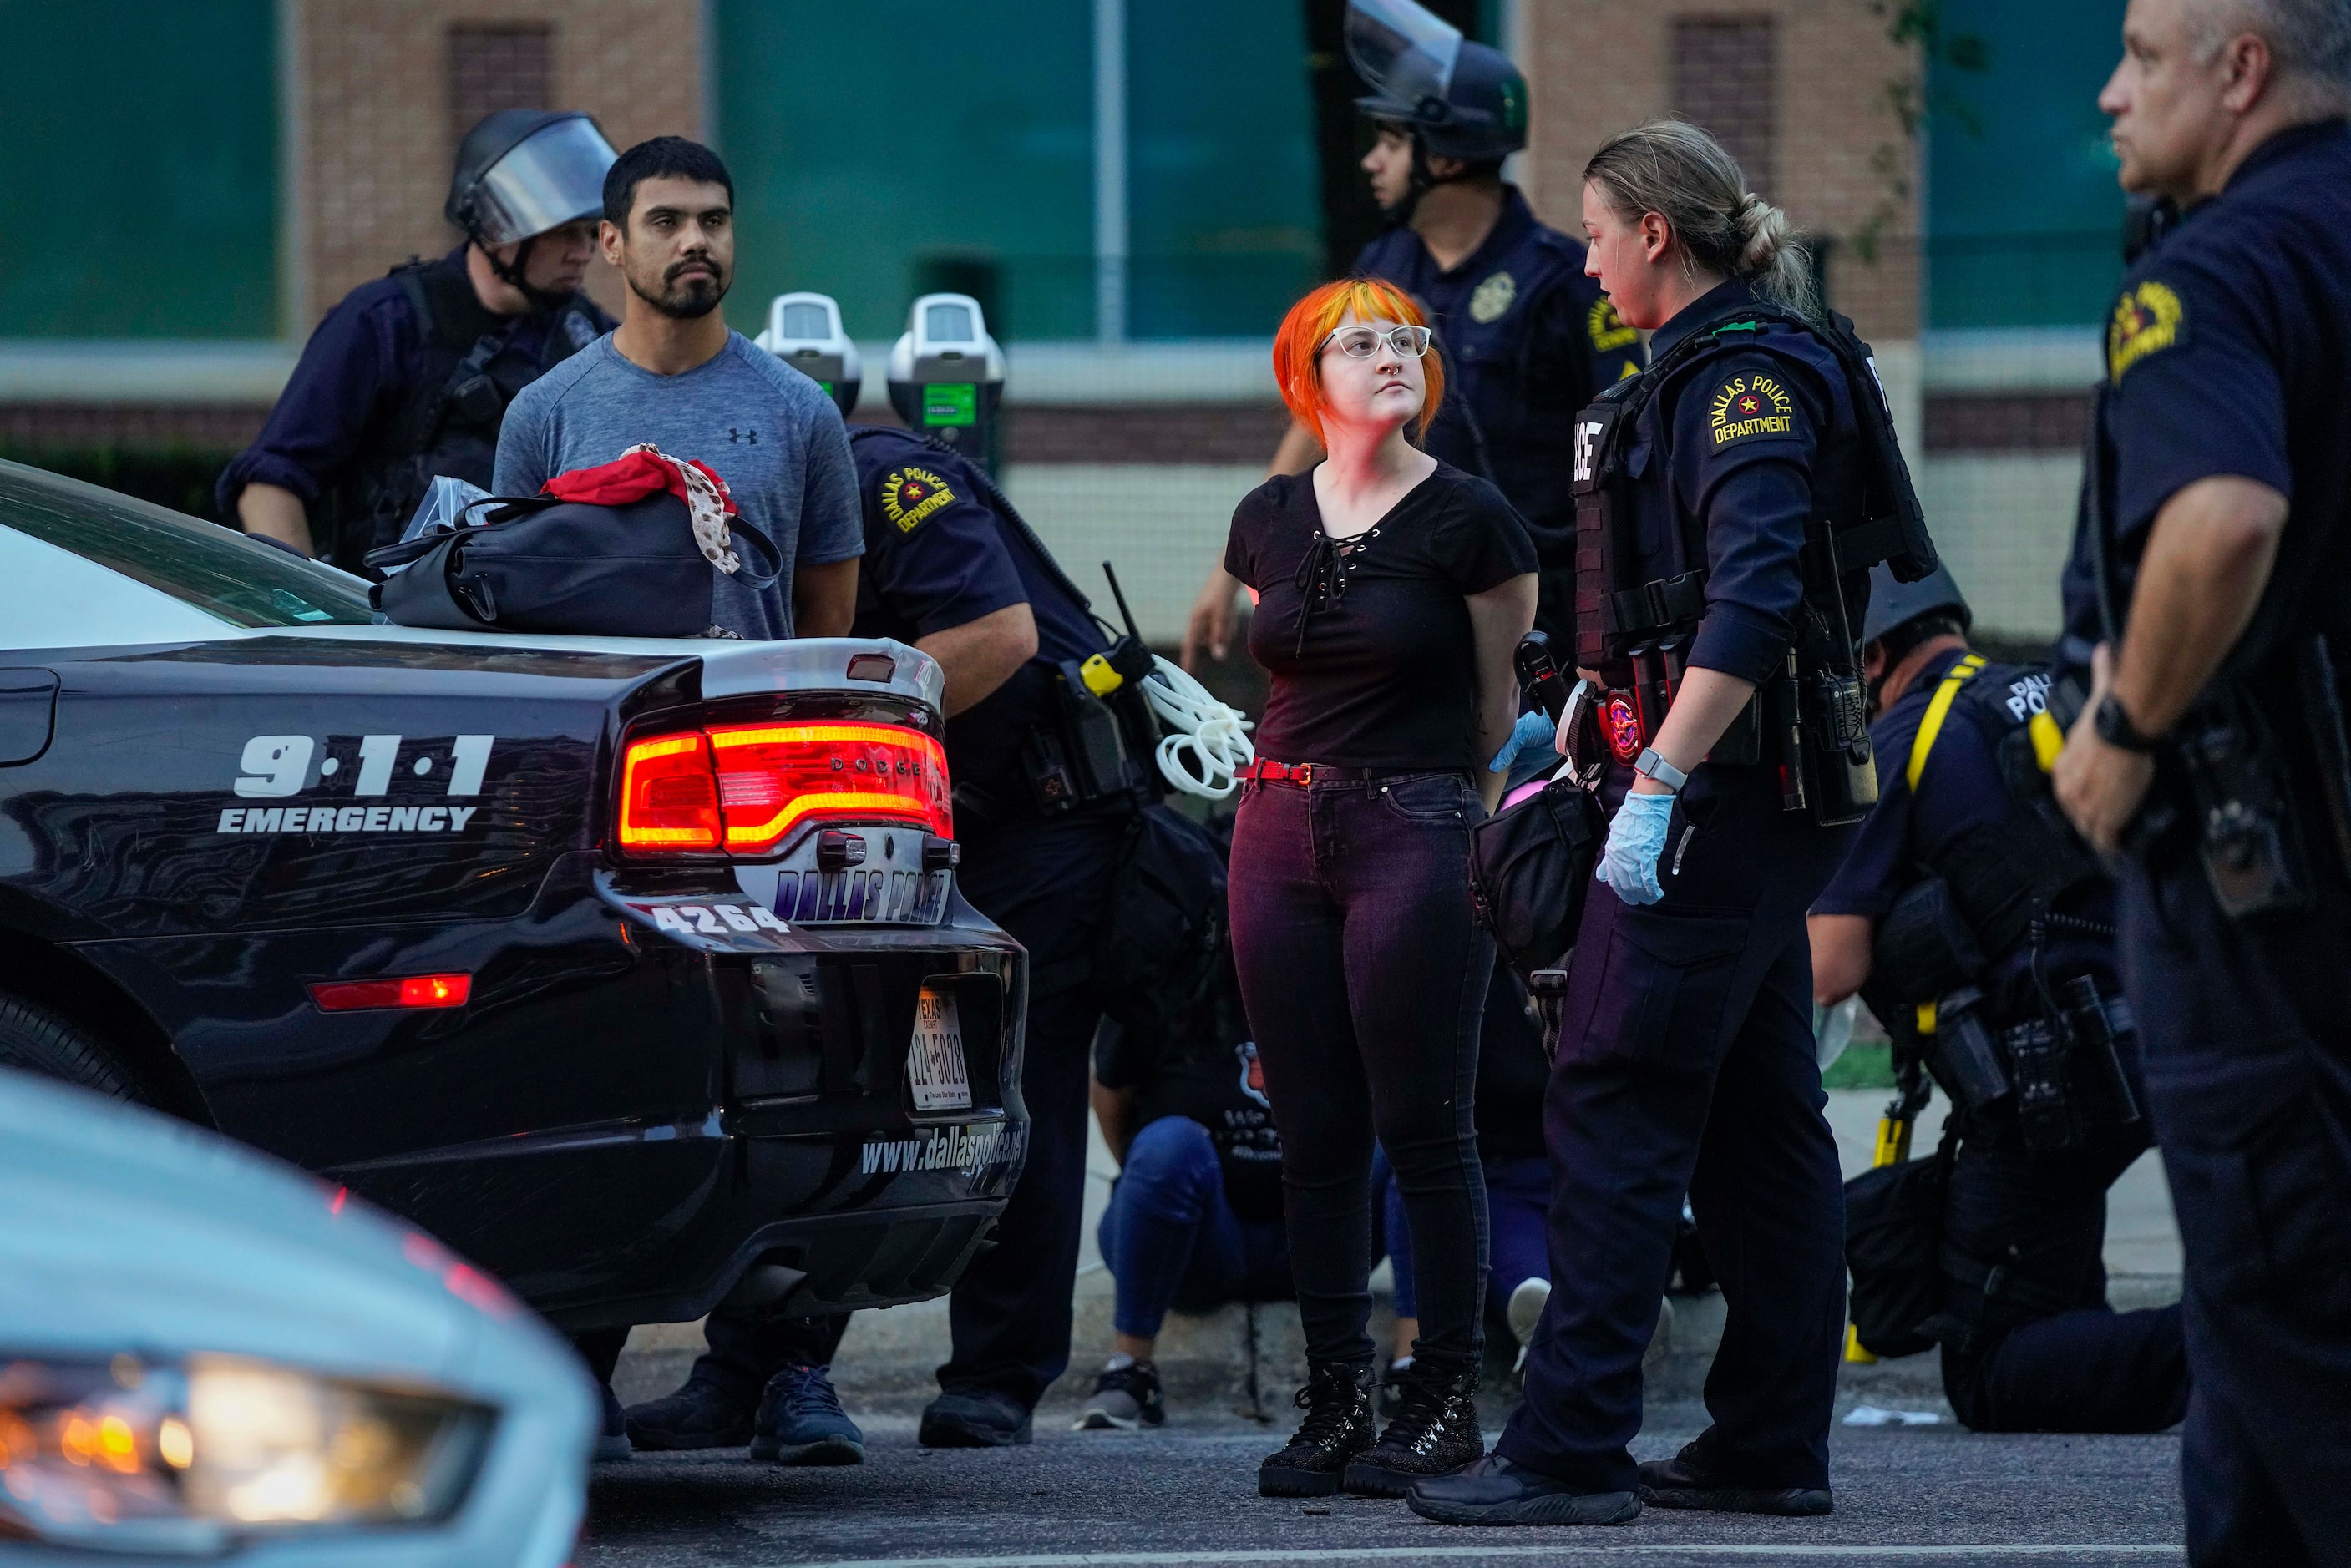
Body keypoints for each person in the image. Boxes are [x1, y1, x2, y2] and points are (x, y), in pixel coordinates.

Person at [1410, 119, 1917, 1528]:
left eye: (1591, 235)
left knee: (1615, 1096)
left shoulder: (1744, 375)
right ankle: (1765, 1441)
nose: (1580, 263)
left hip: (1726, 803)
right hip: (1739, 799)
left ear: (1654, 233)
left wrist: (1661, 785)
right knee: (1760, 1125)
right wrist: (1602, 716)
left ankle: (1568, 1447)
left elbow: (1752, 600)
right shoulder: (1692, 368)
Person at [624, 392, 1153, 1456]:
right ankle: (753, 1373)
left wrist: (832, 738)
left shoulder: (888, 477)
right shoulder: (736, 507)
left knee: (1010, 1090)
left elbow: (996, 636)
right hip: (906, 818)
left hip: (1040, 824)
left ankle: (995, 1381)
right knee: (832, 1086)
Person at [2049, 2, 2351, 1559]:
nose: (2111, 93)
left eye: (2145, 56)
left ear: (2242, 70)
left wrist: (2126, 727)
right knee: (2245, 1389)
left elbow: (2221, 514)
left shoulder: (2220, 267)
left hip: (2267, 906)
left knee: (2298, 1330)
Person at [1224, 276, 1537, 1500]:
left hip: (1412, 815)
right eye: (1360, 341)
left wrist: (1436, 809)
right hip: (1272, 823)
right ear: (1307, 373)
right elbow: (1277, 662)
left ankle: (1442, 1397)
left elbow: (1494, 710)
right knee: (1311, 1135)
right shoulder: (1262, 516)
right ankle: (1333, 1399)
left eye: (1406, 337)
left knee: (1424, 1124)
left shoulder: (1471, 519)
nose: (1393, 353)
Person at [1810, 564, 2188, 1434]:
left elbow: (1828, 967)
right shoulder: (2035, 693)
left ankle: (2249, 1353)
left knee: (1993, 1372)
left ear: (1870, 656)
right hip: (2154, 1035)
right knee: (2049, 1298)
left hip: (2053, 1081)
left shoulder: (1903, 737)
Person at [1182, 0, 1642, 670]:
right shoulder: (1386, 266)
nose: (1371, 162)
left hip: (1538, 615)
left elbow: (1623, 457)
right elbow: (1317, 419)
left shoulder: (1565, 284)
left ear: (1447, 159)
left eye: (1391, 144)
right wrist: (1230, 569)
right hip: (1407, 604)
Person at [491, 136, 861, 640]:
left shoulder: (802, 409)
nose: (695, 241)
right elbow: (508, 605)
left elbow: (830, 619)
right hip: (593, 714)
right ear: (611, 242)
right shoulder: (543, 411)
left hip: (750, 716)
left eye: (714, 221)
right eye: (665, 222)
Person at [219, 111, 617, 569]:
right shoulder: (384, 323)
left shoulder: (589, 336)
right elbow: (271, 484)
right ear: (494, 225)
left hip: (541, 620)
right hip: (392, 626)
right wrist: (309, 617)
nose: (585, 252)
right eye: (564, 231)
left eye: (591, 232)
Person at [1074, 921, 1288, 1432]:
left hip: (1317, 1238)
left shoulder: (1332, 964)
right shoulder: (1165, 978)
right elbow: (1109, 1095)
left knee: (1401, 1144)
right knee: (1167, 1145)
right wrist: (1158, 1188)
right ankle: (1131, 1370)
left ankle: (1409, 1370)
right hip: (1198, 1245)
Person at [1370, 976, 1558, 1400]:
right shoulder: (1475, 958)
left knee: (1531, 1285)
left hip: (1561, 1171)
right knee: (1423, 1161)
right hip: (1490, 1173)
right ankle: (1417, 1351)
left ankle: (1566, 1345)